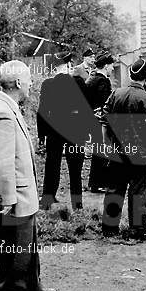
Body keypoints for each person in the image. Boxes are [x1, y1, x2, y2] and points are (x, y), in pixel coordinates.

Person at [0, 60, 57, 291]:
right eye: (28, 80)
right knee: (15, 250)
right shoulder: (2, 111)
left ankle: (32, 287)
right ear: (17, 82)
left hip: (23, 193)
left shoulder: (7, 106)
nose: (31, 84)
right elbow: (1, 162)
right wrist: (8, 199)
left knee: (28, 245)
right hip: (14, 196)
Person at [100, 59, 146, 240]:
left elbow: (104, 123)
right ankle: (137, 231)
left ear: (130, 76)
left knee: (114, 190)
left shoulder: (115, 94)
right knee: (139, 192)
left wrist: (106, 146)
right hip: (140, 155)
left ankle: (109, 230)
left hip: (117, 152)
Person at [37, 51, 92, 210]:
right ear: (68, 65)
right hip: (75, 132)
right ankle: (77, 204)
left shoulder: (47, 84)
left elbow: (41, 112)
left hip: (54, 132)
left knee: (52, 164)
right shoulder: (79, 83)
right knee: (75, 169)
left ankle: (47, 199)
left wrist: (42, 135)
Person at [85, 52, 115, 193]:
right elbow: (105, 104)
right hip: (100, 121)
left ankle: (95, 183)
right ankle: (100, 183)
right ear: (106, 66)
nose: (113, 69)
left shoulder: (91, 79)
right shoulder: (102, 81)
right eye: (111, 66)